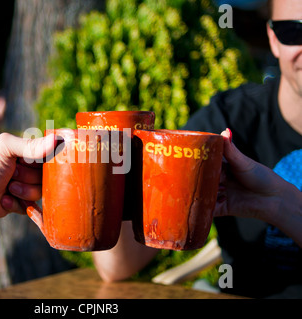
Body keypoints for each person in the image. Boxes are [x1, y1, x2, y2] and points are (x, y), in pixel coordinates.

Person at [92, 0, 302, 298]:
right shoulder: (229, 120)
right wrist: (122, 176)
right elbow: (117, 265)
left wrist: (280, 205)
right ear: (273, 39)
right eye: (293, 31)